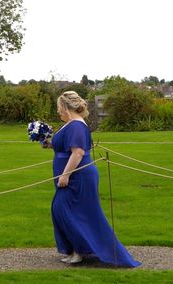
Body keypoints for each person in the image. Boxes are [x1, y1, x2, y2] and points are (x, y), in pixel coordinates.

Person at [48, 91, 140, 267]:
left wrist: (65, 174)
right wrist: (47, 142)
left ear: (66, 107)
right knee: (66, 211)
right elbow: (64, 146)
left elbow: (78, 152)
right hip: (71, 174)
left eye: (59, 108)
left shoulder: (76, 125)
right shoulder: (69, 124)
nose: (58, 111)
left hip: (78, 175)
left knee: (64, 209)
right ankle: (75, 250)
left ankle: (80, 251)